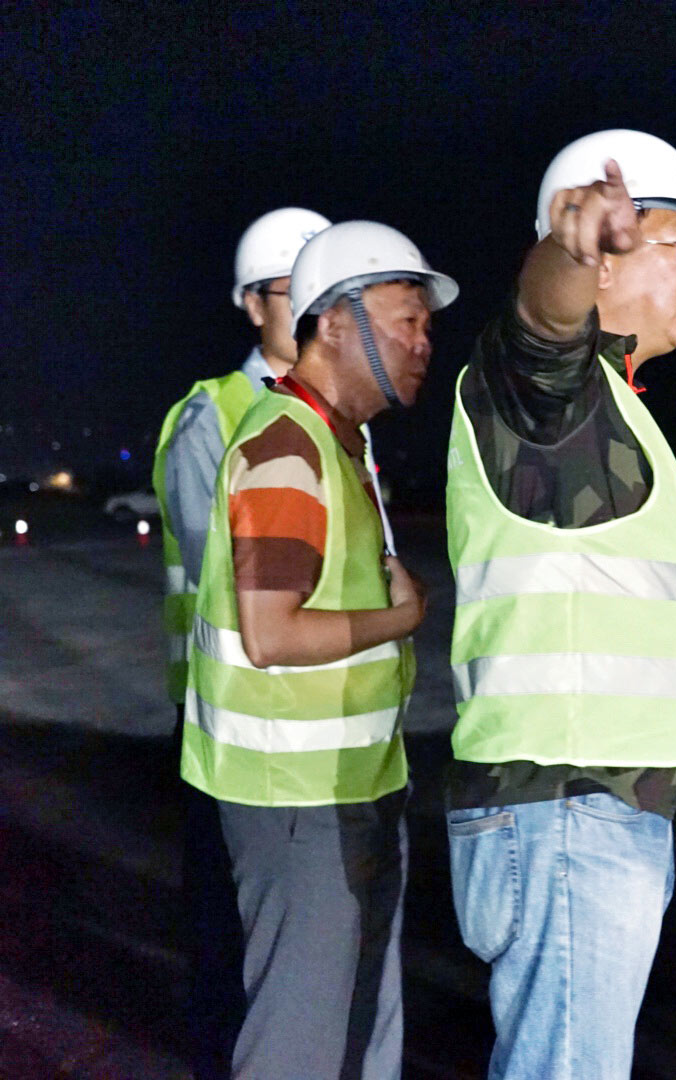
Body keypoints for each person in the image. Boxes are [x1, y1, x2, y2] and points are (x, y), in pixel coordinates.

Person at [442, 130, 676, 1080]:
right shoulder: (550, 400)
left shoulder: (611, 402)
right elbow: (539, 326)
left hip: (592, 808)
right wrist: (566, 253)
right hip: (566, 807)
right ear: (602, 254)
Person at [180, 220, 456, 1079]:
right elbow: (272, 633)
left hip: (346, 786)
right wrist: (400, 620)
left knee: (351, 1034)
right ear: (333, 321)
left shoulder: (339, 444)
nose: (424, 342)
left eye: (427, 326)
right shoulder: (286, 445)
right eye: (406, 319)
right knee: (298, 1045)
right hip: (295, 800)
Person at [151, 204, 330, 1080]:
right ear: (252, 304)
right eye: (293, 294)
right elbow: (230, 578)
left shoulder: (340, 421)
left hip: (323, 735)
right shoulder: (213, 418)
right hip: (232, 735)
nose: (314, 313)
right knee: (231, 965)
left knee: (305, 966)